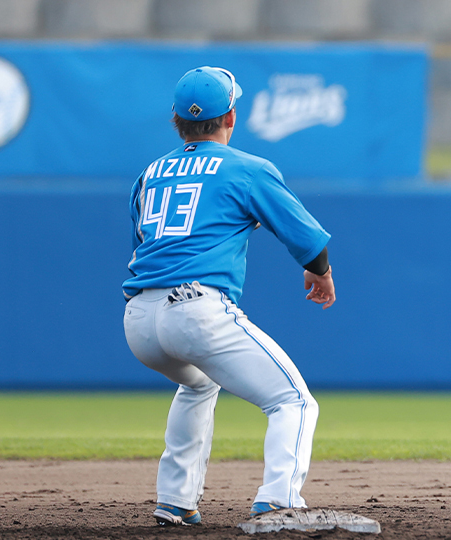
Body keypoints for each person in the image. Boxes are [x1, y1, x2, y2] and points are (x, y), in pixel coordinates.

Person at [122, 66, 335, 525]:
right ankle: (279, 500)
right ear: (231, 117)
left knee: (198, 383)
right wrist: (321, 273)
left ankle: (175, 499)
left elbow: (146, 241)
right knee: (293, 402)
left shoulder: (149, 174)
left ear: (177, 121)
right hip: (194, 309)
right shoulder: (246, 168)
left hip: (138, 317)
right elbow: (308, 240)